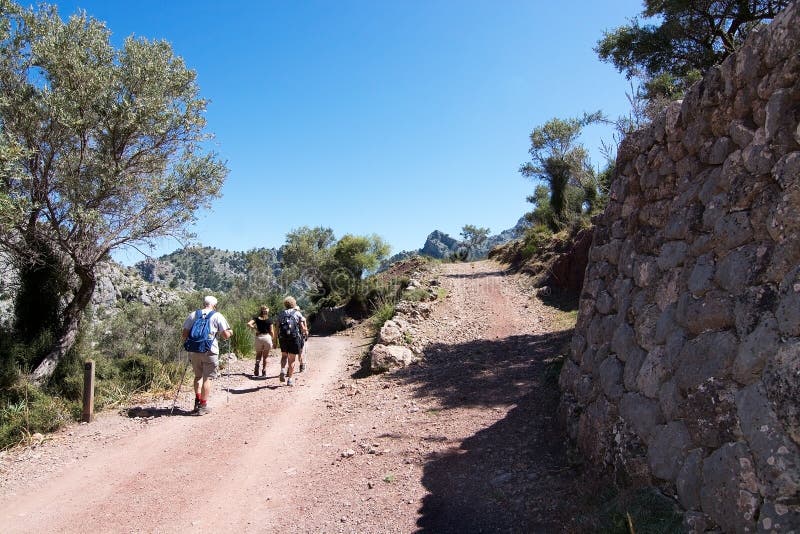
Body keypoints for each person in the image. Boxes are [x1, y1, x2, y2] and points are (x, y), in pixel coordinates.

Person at [181, 295, 233, 415]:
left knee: (198, 376)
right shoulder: (217, 315)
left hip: (194, 350)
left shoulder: (194, 314)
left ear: (203, 303)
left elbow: (184, 334)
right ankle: (203, 406)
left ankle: (197, 401)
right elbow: (225, 335)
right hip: (210, 350)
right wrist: (230, 332)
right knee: (207, 378)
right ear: (214, 305)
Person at [277, 296, 308, 386]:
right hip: (294, 338)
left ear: (285, 304)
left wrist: (275, 340)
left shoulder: (281, 314)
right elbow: (302, 327)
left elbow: (277, 327)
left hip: (283, 338)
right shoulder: (297, 313)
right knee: (292, 360)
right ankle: (290, 379)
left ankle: (282, 369)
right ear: (293, 303)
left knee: (284, 356)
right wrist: (305, 331)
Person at [247, 305, 275, 377]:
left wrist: (255, 329)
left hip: (259, 337)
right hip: (267, 337)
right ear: (267, 311)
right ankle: (264, 371)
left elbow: (249, 324)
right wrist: (273, 339)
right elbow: (272, 331)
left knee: (258, 354)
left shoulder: (256, 318)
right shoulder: (270, 320)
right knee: (265, 357)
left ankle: (257, 365)